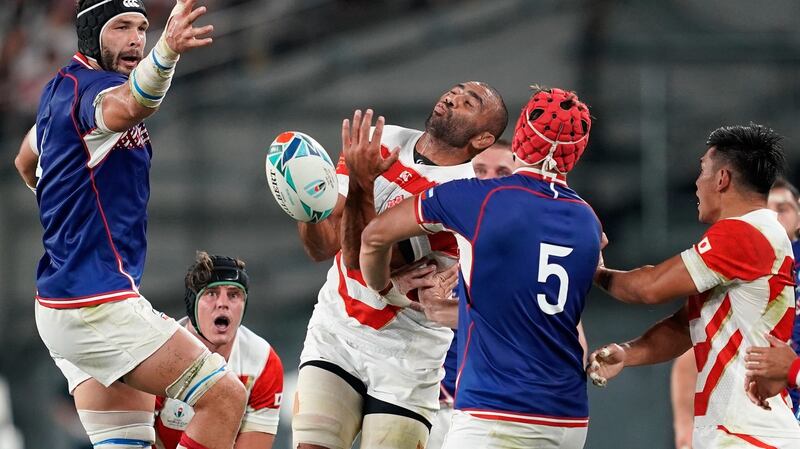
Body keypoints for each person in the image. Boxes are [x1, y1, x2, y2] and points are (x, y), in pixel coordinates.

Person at [14, 2, 248, 449]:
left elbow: (26, 161)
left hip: (65, 301)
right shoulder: (92, 94)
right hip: (94, 303)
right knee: (224, 399)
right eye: (121, 27)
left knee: (129, 442)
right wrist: (168, 52)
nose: (136, 38)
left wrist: (64, 199)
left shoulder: (60, 88)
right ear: (89, 35)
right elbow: (132, 104)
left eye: (142, 28)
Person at [359, 86, 599, 449]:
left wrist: (384, 288)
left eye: (500, 170)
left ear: (518, 149)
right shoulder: (586, 219)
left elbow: (374, 236)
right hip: (565, 413)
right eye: (481, 169)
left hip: (494, 411)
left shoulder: (475, 200)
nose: (489, 177)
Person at [292, 82, 508, 449]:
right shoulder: (386, 139)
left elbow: (359, 257)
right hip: (336, 334)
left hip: (407, 359)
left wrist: (362, 184)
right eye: (454, 91)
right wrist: (305, 203)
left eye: (469, 103)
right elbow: (323, 246)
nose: (452, 98)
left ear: (483, 138)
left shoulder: (464, 196)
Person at [588, 124, 800, 448]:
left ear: (722, 179)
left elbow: (649, 287)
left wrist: (593, 268)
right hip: (742, 432)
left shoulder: (745, 233)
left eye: (702, 170)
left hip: (750, 436)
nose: (696, 183)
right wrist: (628, 353)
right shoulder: (755, 236)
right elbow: (685, 326)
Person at [668, 178, 800, 449]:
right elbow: (690, 358)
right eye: (766, 210)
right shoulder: (736, 275)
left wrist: (793, 370)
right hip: (759, 427)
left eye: (782, 209)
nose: (772, 218)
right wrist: (684, 433)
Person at [153, 252, 284, 449]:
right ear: (192, 303)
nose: (223, 303)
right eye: (211, 293)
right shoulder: (159, 351)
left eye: (234, 295)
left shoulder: (263, 361)